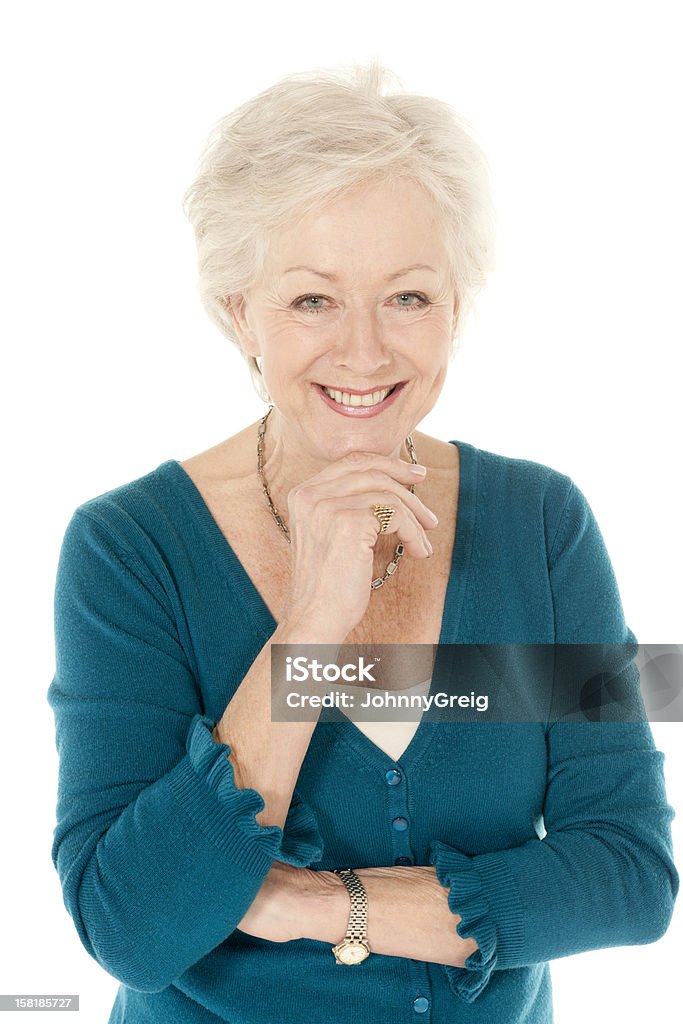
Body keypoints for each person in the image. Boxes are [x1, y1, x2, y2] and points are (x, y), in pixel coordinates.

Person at [47, 63, 678, 1024]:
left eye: (408, 298)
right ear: (238, 314)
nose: (365, 353)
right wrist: (310, 626)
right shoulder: (128, 548)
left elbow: (629, 876)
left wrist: (315, 906)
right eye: (311, 301)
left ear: (456, 309)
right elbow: (131, 927)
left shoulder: (542, 523)